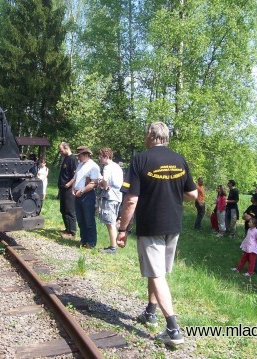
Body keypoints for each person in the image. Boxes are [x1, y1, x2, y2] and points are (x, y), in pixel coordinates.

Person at [116, 122, 197, 347]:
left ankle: (173, 330)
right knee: (158, 272)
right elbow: (192, 194)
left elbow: (131, 199)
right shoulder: (180, 159)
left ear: (151, 135)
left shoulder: (140, 159)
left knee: (157, 275)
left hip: (151, 225)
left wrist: (122, 229)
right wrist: (170, 193)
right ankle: (150, 312)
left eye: (145, 133)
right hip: (174, 225)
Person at [70, 146, 100, 249]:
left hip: (87, 195)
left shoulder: (93, 166)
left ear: (86, 155)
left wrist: (82, 190)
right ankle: (83, 240)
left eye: (80, 155)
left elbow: (94, 183)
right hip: (78, 194)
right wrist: (73, 189)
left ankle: (91, 242)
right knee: (80, 219)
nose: (79, 157)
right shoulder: (80, 165)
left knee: (88, 219)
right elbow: (75, 178)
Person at [97, 147, 124, 254]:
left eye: (100, 156)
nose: (99, 158)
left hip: (110, 197)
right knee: (112, 221)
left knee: (110, 222)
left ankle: (113, 248)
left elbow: (105, 181)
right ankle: (113, 245)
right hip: (118, 197)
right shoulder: (117, 167)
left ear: (107, 157)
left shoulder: (107, 167)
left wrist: (103, 185)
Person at [58, 142, 78, 239]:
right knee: (63, 209)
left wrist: (68, 184)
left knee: (70, 210)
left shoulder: (73, 159)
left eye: (61, 150)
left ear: (66, 148)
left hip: (69, 189)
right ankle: (67, 229)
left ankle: (72, 232)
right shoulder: (65, 158)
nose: (60, 152)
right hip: (62, 188)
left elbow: (75, 175)